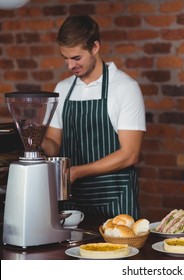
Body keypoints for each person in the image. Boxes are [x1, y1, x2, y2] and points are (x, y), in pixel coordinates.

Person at [43, 15, 145, 221]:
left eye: (76, 58)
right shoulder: (62, 89)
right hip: (71, 201)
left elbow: (130, 154)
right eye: (65, 58)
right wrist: (32, 137)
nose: (70, 65)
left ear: (95, 47)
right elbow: (53, 143)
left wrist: (78, 172)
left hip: (115, 200)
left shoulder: (125, 88)